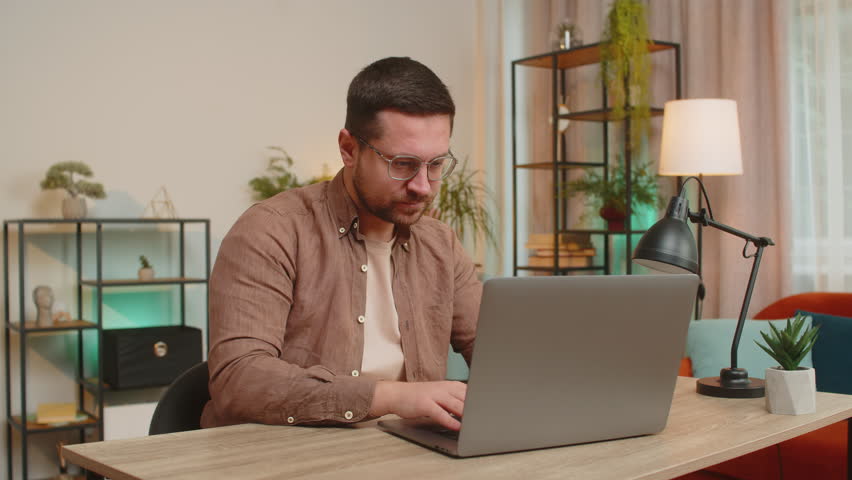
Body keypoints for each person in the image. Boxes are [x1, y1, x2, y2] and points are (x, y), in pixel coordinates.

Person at [201, 57, 482, 432]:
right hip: (285, 457)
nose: (423, 186)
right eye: (402, 164)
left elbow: (497, 354)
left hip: (407, 455)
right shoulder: (272, 231)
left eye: (435, 165)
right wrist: (393, 397)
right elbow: (239, 379)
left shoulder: (440, 245)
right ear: (349, 149)